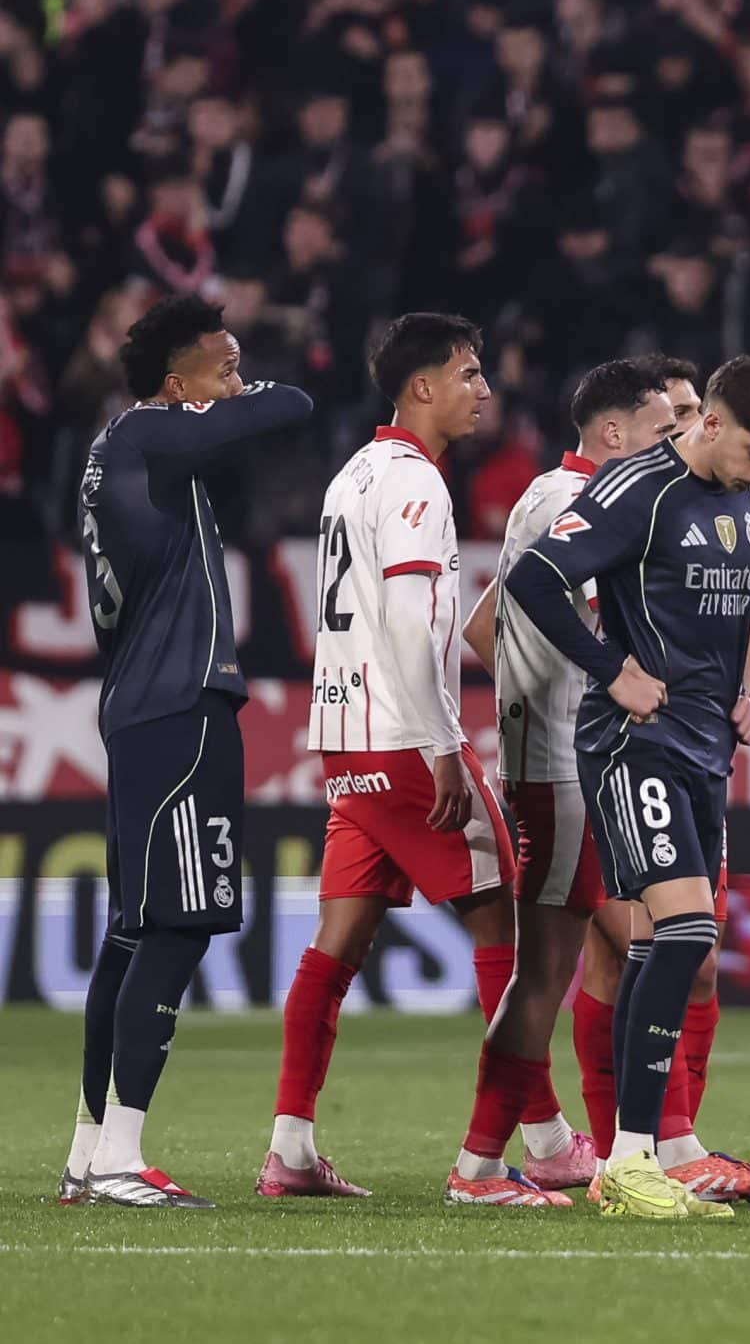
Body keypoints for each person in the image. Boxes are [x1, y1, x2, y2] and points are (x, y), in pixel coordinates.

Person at [260, 313, 575, 1203]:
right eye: (469, 373)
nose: (485, 389)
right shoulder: (416, 486)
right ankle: (537, 1143)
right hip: (403, 737)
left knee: (338, 942)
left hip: (344, 739)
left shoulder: (350, 474)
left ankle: (289, 1147)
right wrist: (443, 744)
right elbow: (406, 622)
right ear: (421, 387)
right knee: (505, 930)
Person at [462, 355, 750, 1206]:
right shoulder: (626, 488)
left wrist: (739, 698)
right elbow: (529, 584)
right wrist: (611, 672)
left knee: (662, 944)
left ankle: (635, 1153)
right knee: (656, 940)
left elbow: (721, 608)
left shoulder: (739, 496)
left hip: (699, 748)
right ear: (709, 422)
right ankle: (630, 1155)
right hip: (616, 747)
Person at [59, 295, 312, 1208]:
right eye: (224, 368)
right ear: (178, 388)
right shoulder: (149, 436)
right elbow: (290, 407)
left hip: (139, 709)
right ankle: (124, 1156)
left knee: (131, 930)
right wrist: (254, 391)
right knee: (180, 923)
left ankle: (91, 1152)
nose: (239, 382)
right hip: (181, 709)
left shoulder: (127, 454)